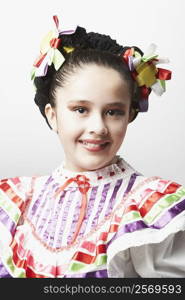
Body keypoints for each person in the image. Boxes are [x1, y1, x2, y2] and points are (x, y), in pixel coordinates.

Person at [0, 15, 184, 278]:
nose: (98, 126)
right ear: (52, 115)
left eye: (113, 112)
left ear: (129, 115)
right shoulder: (13, 204)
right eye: (80, 109)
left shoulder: (150, 210)